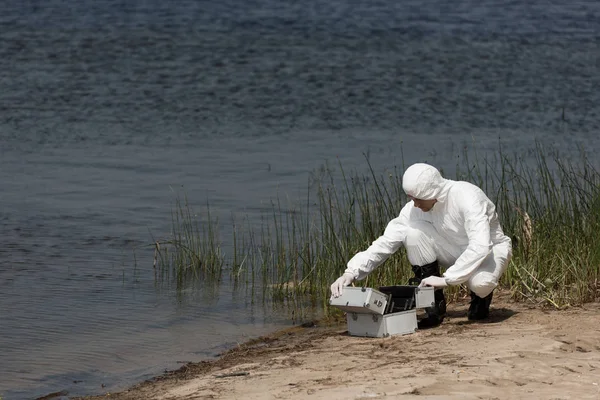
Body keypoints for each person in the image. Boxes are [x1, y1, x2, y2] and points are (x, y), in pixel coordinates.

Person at [330, 162, 512, 325]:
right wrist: (351, 272)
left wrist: (447, 280)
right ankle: (434, 304)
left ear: (432, 193)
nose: (414, 204)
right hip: (454, 250)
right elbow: (385, 243)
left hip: (490, 251)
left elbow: (480, 245)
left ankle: (481, 297)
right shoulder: (415, 208)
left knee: (481, 284)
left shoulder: (468, 196)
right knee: (412, 233)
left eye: (417, 198)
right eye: (411, 198)